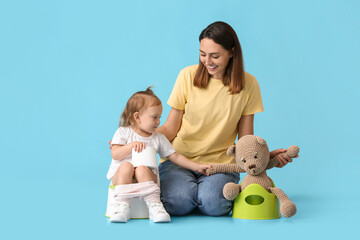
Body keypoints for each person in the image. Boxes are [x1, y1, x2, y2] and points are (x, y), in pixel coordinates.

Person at [156, 21, 298, 216]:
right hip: (180, 160)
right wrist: (140, 135)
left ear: (232, 52)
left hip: (221, 165)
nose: (208, 61)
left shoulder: (249, 84)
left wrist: (266, 157)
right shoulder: (186, 76)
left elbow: (246, 139)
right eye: (202, 54)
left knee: (215, 205)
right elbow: (170, 128)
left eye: (215, 56)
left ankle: (198, 196)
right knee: (176, 203)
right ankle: (190, 194)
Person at [107, 87, 211, 223]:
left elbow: (175, 156)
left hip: (145, 177)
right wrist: (129, 146)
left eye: (159, 117)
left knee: (142, 168)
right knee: (126, 166)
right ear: (137, 117)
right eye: (154, 117)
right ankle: (122, 206)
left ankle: (155, 206)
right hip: (121, 177)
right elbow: (115, 154)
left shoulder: (158, 138)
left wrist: (196, 166)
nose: (158, 122)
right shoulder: (123, 132)